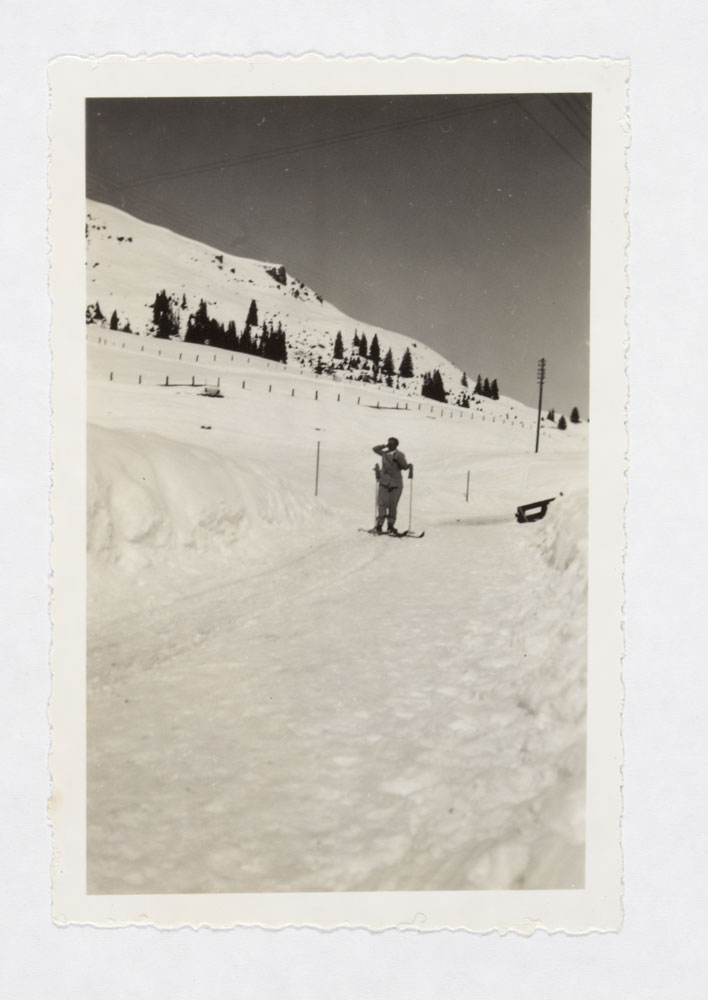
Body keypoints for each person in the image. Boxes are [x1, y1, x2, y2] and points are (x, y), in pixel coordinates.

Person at [372, 437, 413, 535]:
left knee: (392, 505)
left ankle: (390, 526)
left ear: (396, 445)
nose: (390, 445)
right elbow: (375, 449)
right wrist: (384, 446)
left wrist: (399, 461)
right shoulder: (384, 453)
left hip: (396, 483)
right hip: (384, 482)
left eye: (391, 444)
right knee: (381, 504)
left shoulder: (400, 455)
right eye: (388, 443)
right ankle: (379, 525)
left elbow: (404, 467)